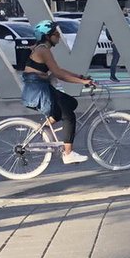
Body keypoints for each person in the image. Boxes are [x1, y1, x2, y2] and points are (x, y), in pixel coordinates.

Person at [21, 20, 95, 166]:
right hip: (38, 89)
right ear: (47, 36)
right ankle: (68, 154)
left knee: (71, 103)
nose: (59, 37)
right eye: (56, 34)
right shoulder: (43, 50)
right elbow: (58, 74)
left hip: (41, 86)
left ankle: (42, 130)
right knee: (69, 115)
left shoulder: (42, 49)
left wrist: (80, 76)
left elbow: (58, 70)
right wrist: (82, 83)